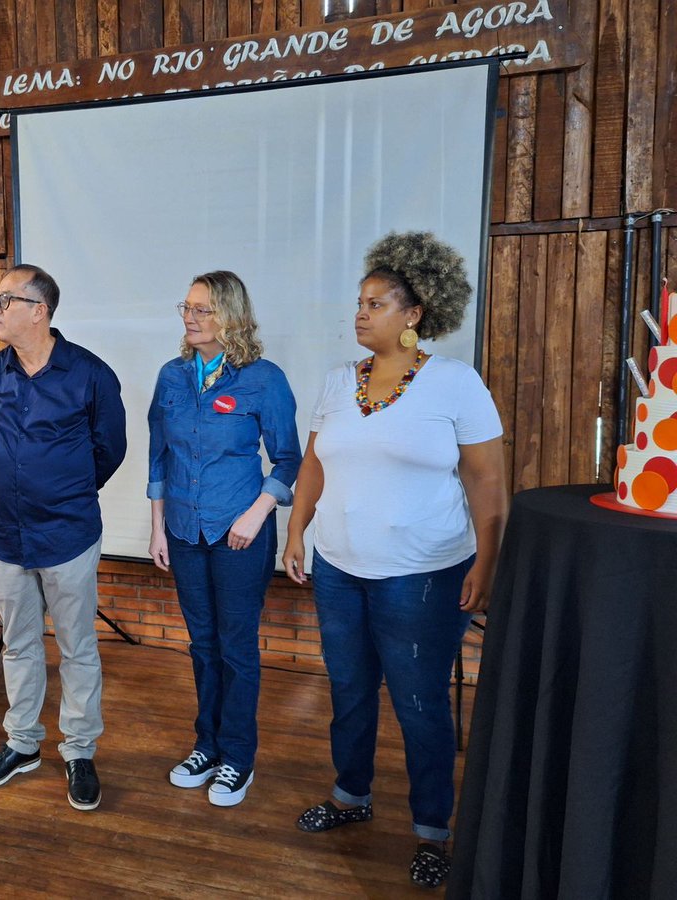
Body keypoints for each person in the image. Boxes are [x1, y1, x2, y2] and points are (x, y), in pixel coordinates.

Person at [281, 232, 507, 889]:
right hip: (339, 569)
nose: (360, 313)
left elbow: (489, 482)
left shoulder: (454, 384)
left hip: (424, 575)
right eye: (359, 302)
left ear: (413, 316)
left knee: (418, 705)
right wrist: (296, 532)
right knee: (349, 693)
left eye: (376, 304)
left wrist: (487, 561)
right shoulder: (335, 382)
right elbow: (314, 468)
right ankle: (351, 796)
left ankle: (433, 830)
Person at [0, 264, 127, 811]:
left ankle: (79, 750)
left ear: (40, 309)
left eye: (4, 299)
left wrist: (66, 488)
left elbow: (110, 448)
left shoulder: (90, 375)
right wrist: (13, 476)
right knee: (18, 644)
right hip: (4, 535)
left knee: (78, 647)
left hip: (68, 534)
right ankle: (22, 744)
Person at [146, 271, 301, 808]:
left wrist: (257, 513)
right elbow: (158, 455)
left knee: (236, 648)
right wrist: (157, 525)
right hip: (185, 532)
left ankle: (238, 758)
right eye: (186, 308)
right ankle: (206, 746)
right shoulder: (172, 376)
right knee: (202, 643)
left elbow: (289, 458)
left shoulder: (263, 379)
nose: (190, 318)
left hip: (240, 532)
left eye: (203, 310)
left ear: (231, 316)